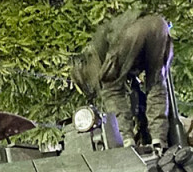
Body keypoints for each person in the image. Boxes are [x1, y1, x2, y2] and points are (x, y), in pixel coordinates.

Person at [72, 9, 175, 148]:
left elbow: (111, 88)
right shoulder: (102, 41)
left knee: (111, 89)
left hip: (131, 33)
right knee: (156, 83)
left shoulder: (94, 57)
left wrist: (125, 135)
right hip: (158, 24)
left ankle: (126, 140)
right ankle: (158, 139)